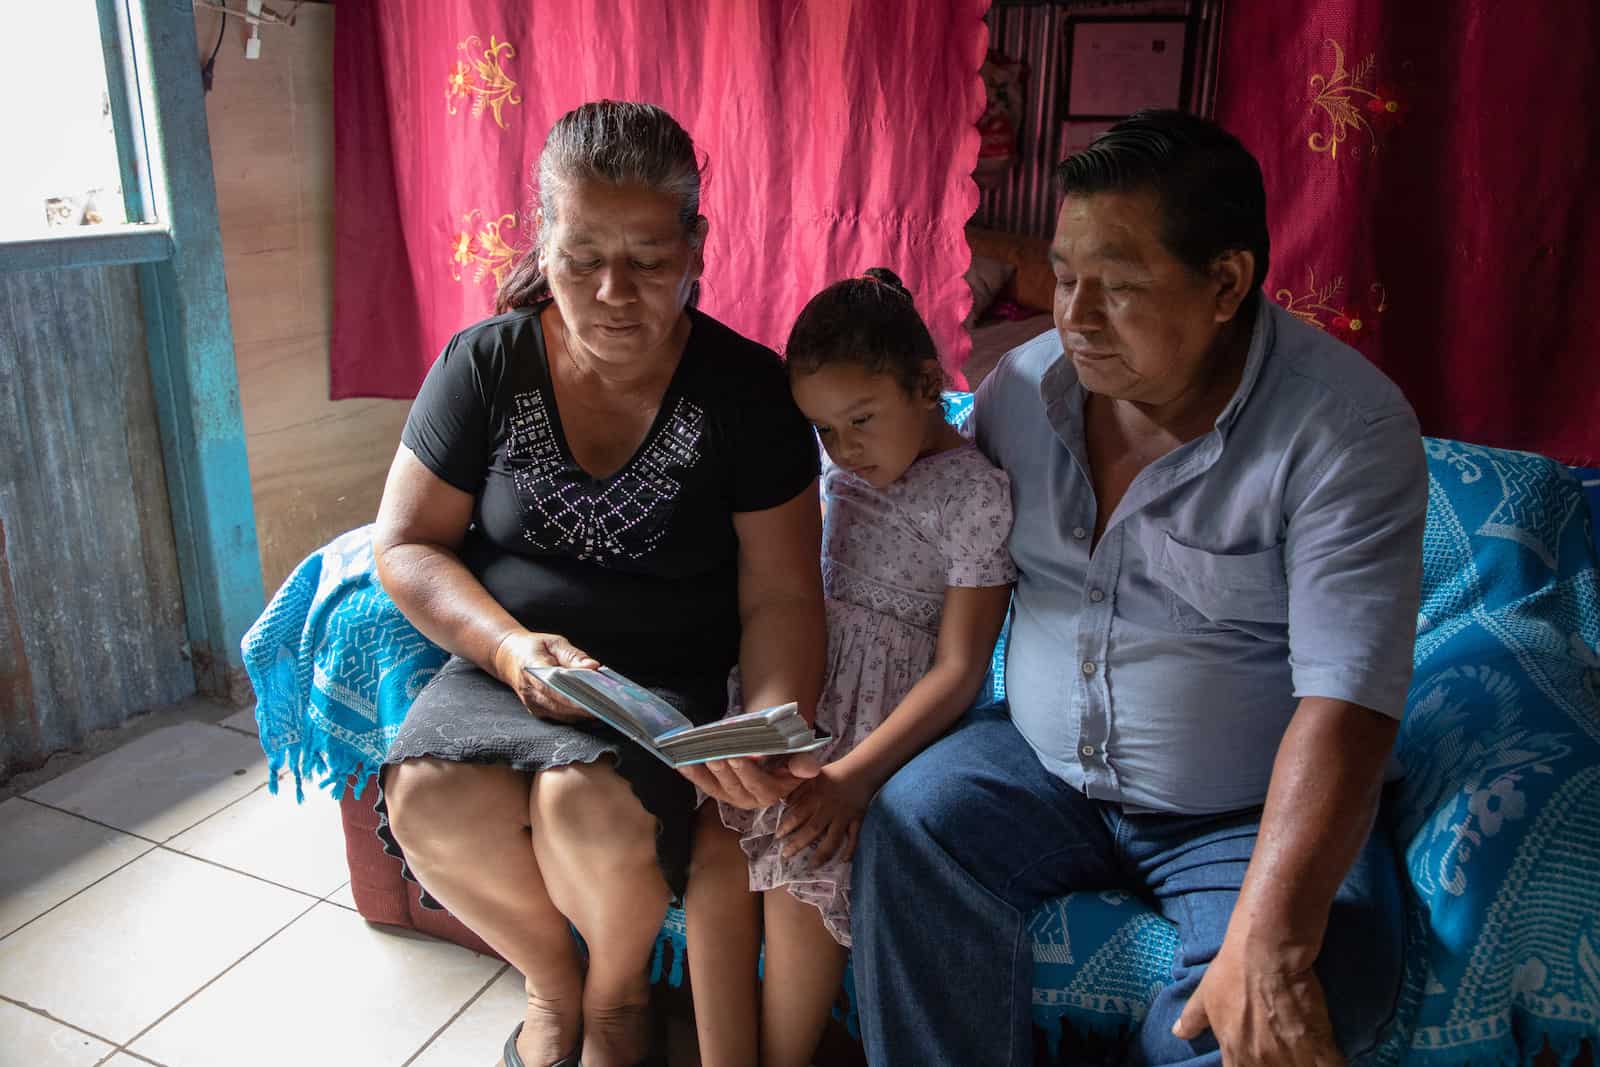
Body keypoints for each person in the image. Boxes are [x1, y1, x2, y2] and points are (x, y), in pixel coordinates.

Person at [850, 109, 1428, 1066]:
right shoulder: (1018, 394)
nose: (1073, 314)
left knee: (1277, 1010)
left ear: (1226, 284)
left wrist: (1273, 938)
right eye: (1065, 277)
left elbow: (1350, 698)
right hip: (1038, 764)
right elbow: (927, 564)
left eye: (1116, 287)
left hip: (1242, 803)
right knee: (913, 825)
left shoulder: (1345, 432)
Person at [371, 101, 826, 1067]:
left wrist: (771, 721)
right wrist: (505, 645)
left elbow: (783, 594)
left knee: (585, 804)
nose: (614, 292)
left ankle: (617, 1001)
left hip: (661, 688)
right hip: (510, 663)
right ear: (545, 238)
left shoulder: (748, 392)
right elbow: (406, 546)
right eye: (582, 259)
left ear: (696, 244)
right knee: (423, 796)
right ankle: (551, 979)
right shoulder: (485, 364)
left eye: (650, 261)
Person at [685, 269, 1018, 1067]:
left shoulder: (972, 495)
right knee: (716, 849)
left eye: (861, 420)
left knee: (805, 869)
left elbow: (962, 666)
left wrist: (856, 778)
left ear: (927, 385)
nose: (844, 449)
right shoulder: (839, 466)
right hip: (803, 685)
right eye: (825, 430)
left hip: (879, 726)